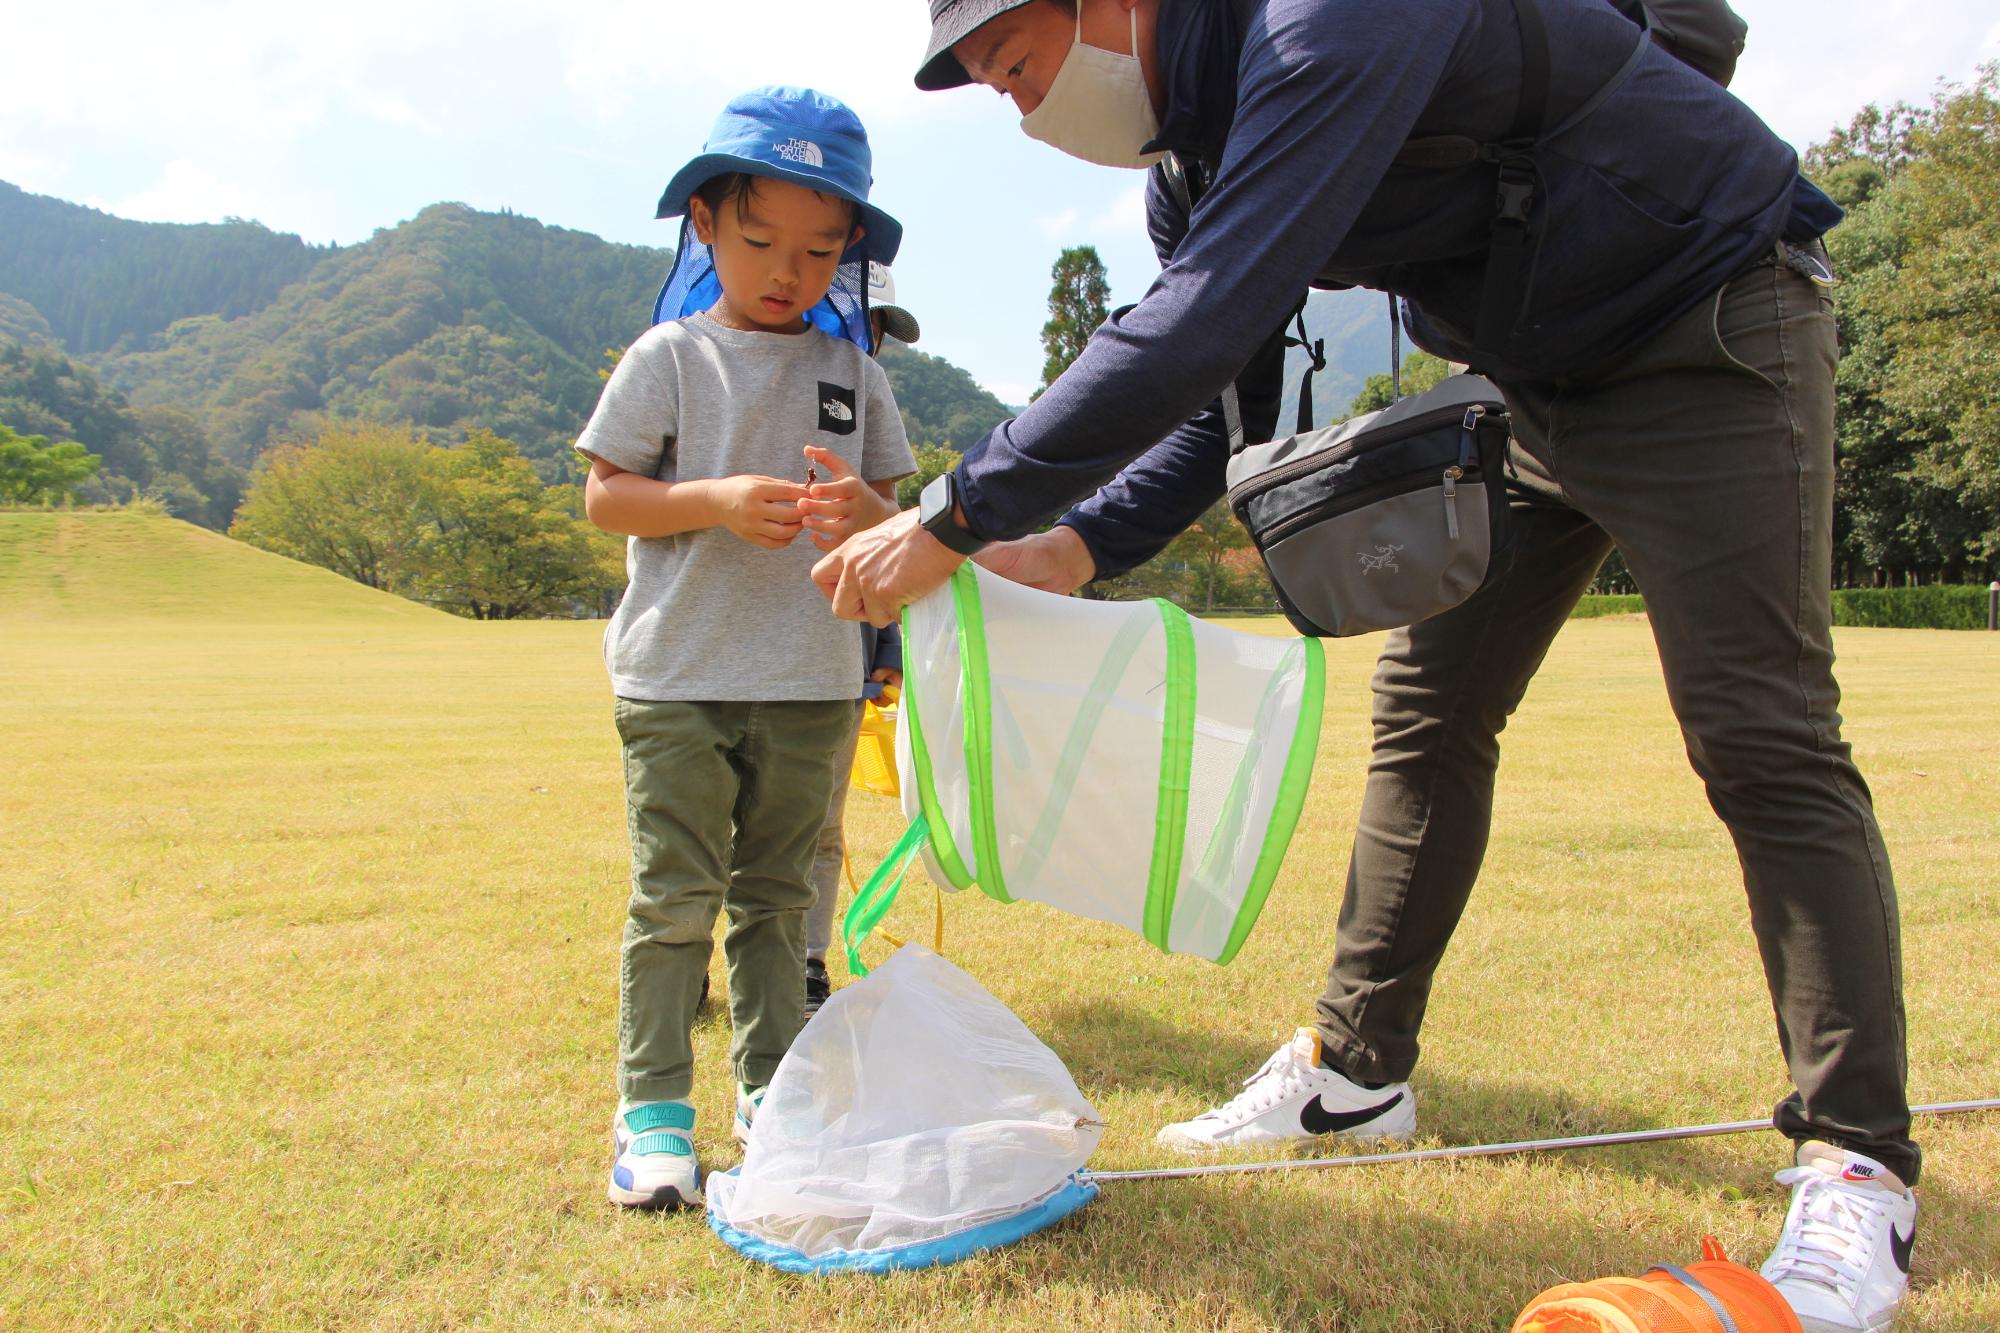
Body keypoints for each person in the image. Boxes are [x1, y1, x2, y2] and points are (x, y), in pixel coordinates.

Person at [811, 3, 1917, 1328]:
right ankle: (1357, 1069)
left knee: (1759, 732)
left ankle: (1859, 1161)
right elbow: (1228, 403)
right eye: (995, 92)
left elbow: (1200, 321)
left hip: (1705, 321)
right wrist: (1072, 546)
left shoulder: (1325, 20)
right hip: (1528, 386)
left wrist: (950, 515)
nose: (1026, 110)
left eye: (1017, 64)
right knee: (1427, 715)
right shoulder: (1195, 170)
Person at [579, 85, 915, 1211]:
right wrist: (714, 498)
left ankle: (773, 1100)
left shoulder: (855, 375)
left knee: (776, 902)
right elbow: (605, 497)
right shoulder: (668, 355)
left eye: (822, 250)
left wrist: (864, 511)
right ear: (707, 225)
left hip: (810, 683)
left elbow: (894, 521)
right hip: (676, 678)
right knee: (673, 899)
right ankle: (652, 1116)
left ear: (851, 255)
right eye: (762, 238)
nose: (790, 270)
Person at [801, 264, 921, 1017]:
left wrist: (885, 656)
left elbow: (895, 539)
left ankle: (805, 961)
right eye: (870, 315)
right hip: (728, 657)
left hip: (836, 662)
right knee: (712, 832)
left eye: (882, 325)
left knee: (819, 823)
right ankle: (693, 963)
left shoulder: (868, 391)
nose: (874, 335)